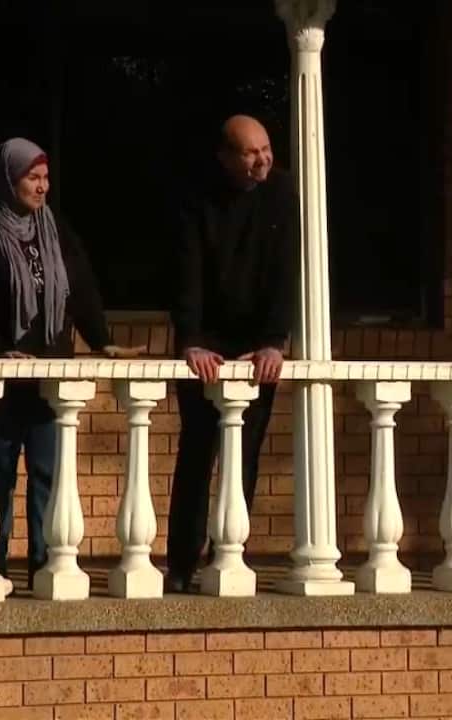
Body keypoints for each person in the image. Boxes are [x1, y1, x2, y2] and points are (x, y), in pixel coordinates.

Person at [0, 137, 141, 589]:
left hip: (48, 377)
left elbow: (80, 289)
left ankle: (44, 568)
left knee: (48, 473)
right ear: (7, 179)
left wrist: (101, 342)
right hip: (0, 377)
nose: (42, 188)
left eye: (45, 178)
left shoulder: (53, 229)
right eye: (32, 178)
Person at [165, 115, 299, 593]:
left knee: (245, 455)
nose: (262, 159)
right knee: (197, 451)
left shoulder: (282, 192)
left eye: (266, 148)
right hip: (207, 342)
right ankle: (181, 563)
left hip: (257, 345)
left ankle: (228, 554)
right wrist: (192, 340)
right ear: (225, 157)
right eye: (250, 152)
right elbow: (187, 271)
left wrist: (274, 341)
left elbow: (286, 271)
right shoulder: (197, 195)